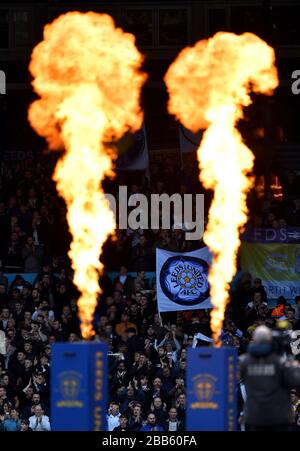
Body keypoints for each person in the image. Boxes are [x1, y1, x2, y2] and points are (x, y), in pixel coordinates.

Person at [240, 325, 300, 431]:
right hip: (278, 418)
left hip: (254, 418)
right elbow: (295, 381)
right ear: (270, 340)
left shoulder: (245, 361)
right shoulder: (279, 361)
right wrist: (290, 360)